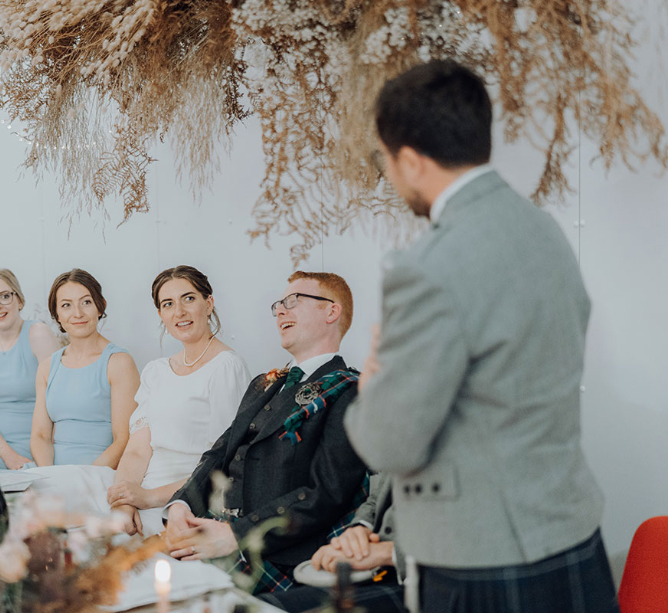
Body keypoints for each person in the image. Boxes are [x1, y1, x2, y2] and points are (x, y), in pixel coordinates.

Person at [344, 59, 616, 613]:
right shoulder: (544, 231)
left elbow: (389, 443)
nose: (391, 178)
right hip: (570, 533)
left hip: (482, 557)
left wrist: (372, 385)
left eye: (388, 161)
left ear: (413, 161)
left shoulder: (427, 264)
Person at [164, 271, 368, 592]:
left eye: (294, 301)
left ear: (331, 311)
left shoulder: (351, 390)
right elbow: (220, 453)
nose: (281, 311)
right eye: (279, 305)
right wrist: (181, 506)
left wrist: (236, 535)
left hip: (282, 559)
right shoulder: (264, 384)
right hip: (222, 537)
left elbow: (327, 493)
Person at [28, 265, 251, 536]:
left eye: (189, 298)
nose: (179, 312)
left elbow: (222, 463)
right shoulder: (156, 371)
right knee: (39, 517)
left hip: (185, 497)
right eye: (168, 304)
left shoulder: (226, 367)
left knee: (92, 545)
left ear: (209, 303)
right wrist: (125, 501)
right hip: (139, 491)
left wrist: (148, 498)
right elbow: (136, 451)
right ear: (160, 314)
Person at [30, 269, 139, 467]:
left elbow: (124, 439)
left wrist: (85, 478)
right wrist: (50, 476)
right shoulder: (47, 367)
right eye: (66, 305)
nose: (77, 313)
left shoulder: (119, 362)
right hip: (52, 473)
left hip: (99, 474)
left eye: (86, 302)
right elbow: (40, 436)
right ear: (57, 314)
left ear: (100, 306)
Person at [259, 474, 406, 613]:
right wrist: (360, 528)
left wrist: (388, 552)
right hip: (377, 570)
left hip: (419, 584)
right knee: (258, 606)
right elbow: (379, 495)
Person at [0, 268, 61, 469]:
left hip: (30, 441)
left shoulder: (37, 334)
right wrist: (5, 454)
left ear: (19, 300)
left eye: (4, 296)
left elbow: (59, 400)